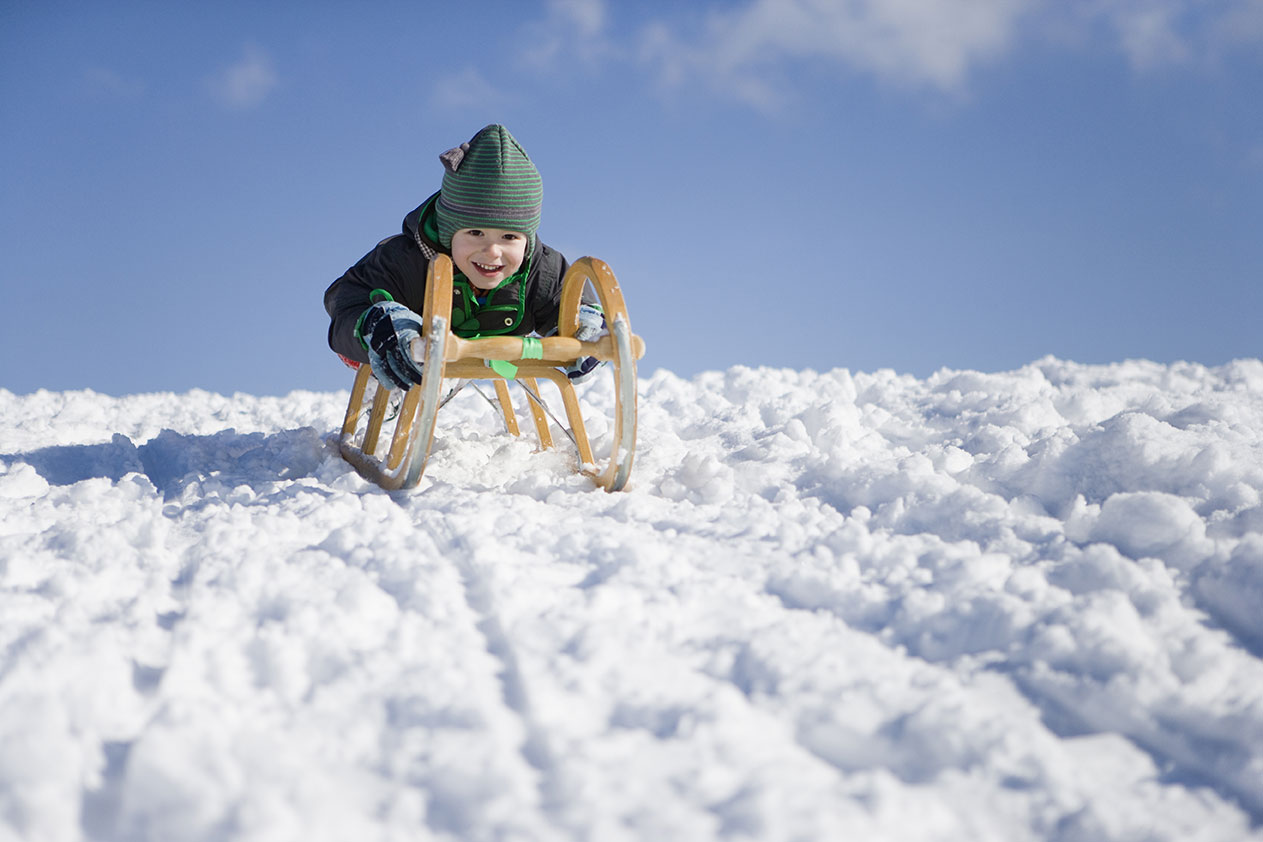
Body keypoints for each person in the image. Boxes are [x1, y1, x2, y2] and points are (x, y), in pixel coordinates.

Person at [324, 124, 602, 391]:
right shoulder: (404, 261)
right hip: (412, 343)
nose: (493, 251)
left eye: (509, 237)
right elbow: (346, 301)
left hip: (491, 346)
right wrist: (378, 323)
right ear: (448, 232)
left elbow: (571, 301)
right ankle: (381, 382)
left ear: (526, 240)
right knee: (368, 337)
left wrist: (581, 328)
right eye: (475, 232)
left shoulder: (542, 269)